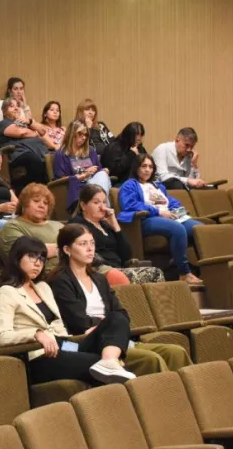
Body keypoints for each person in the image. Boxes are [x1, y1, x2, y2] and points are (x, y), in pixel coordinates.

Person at [48, 224, 191, 374]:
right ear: (67, 249)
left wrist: (110, 323)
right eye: (83, 244)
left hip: (115, 336)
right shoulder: (60, 280)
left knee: (176, 352)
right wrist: (109, 323)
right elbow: (77, 320)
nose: (90, 248)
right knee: (150, 359)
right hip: (87, 341)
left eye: (92, 243)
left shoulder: (99, 279)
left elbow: (122, 313)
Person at [0, 236, 130, 386]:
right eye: (32, 256)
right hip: (39, 355)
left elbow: (59, 328)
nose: (38, 263)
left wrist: (85, 335)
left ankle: (109, 362)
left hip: (64, 345)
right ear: (17, 258)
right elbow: (1, 337)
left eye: (42, 258)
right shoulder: (6, 292)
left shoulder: (43, 287)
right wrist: (37, 334)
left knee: (117, 318)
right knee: (96, 363)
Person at [118, 154, 204, 284]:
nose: (147, 169)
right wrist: (158, 211)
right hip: (147, 219)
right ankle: (184, 273)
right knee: (178, 229)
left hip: (169, 216)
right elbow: (130, 205)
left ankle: (204, 269)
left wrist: (177, 210)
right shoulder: (129, 185)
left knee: (199, 228)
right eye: (144, 166)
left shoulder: (157, 185)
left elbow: (169, 201)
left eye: (150, 167)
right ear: (136, 168)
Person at [70, 183, 165, 285]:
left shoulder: (105, 225)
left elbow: (127, 255)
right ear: (83, 205)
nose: (102, 207)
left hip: (118, 269)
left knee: (155, 273)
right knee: (155, 273)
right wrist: (111, 268)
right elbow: (86, 255)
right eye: (96, 203)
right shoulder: (78, 225)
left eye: (104, 202)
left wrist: (115, 225)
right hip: (100, 272)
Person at [0, 184, 64, 274]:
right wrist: (64, 248)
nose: (41, 205)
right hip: (44, 278)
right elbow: (25, 255)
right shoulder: (13, 226)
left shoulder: (59, 225)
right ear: (24, 204)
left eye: (46, 203)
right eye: (36, 201)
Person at [0, 98, 57, 191]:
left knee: (58, 157)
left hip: (39, 151)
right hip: (19, 154)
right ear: (4, 111)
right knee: (33, 160)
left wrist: (30, 122)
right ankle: (35, 191)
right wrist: (34, 133)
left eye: (17, 106)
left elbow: (43, 131)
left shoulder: (24, 123)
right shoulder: (4, 123)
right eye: (11, 106)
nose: (16, 108)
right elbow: (21, 133)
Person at [53, 120, 113, 213]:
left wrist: (105, 171)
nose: (84, 137)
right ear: (72, 134)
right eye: (80, 134)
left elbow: (98, 170)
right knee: (99, 181)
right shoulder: (61, 154)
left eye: (86, 135)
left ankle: (99, 210)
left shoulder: (91, 151)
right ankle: (103, 211)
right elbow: (60, 178)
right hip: (79, 187)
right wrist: (83, 175)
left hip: (94, 184)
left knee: (102, 175)